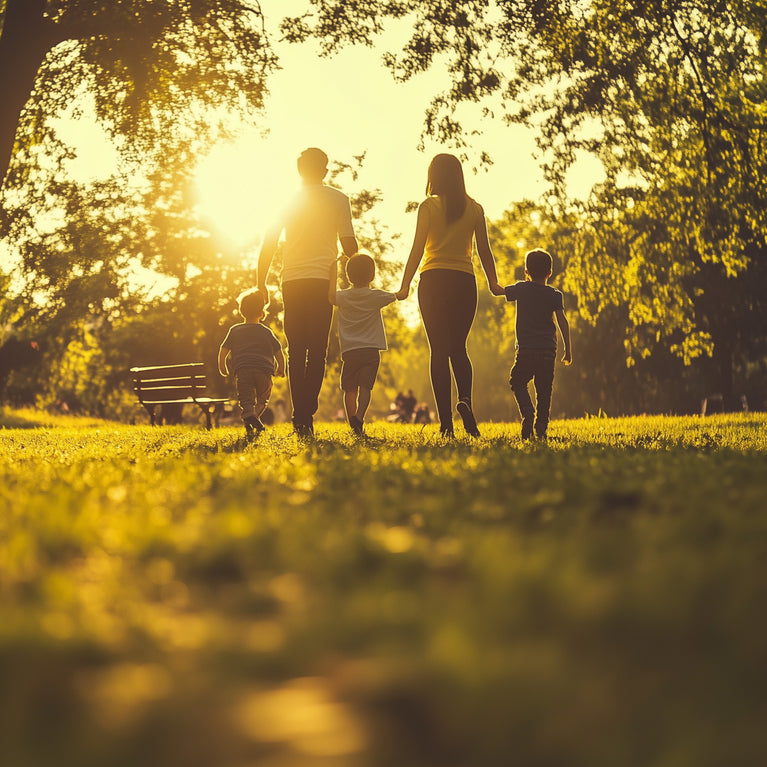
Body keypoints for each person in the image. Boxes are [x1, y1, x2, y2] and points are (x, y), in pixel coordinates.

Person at [396, 153, 502, 437]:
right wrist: (493, 282)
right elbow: (484, 250)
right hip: (464, 281)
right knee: (459, 349)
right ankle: (465, 401)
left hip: (433, 281)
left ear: (433, 176)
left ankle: (446, 425)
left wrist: (404, 284)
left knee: (438, 352)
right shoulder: (475, 208)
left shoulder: (428, 206)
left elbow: (418, 248)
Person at [257, 147, 358, 438]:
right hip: (322, 283)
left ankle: (301, 414)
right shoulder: (339, 199)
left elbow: (269, 242)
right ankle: (304, 412)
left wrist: (261, 282)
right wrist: (359, 271)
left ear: (299, 170)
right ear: (325, 171)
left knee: (296, 348)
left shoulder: (287, 201)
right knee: (317, 351)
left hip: (292, 282)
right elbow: (349, 244)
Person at [499, 248, 572, 441]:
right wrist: (568, 350)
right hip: (549, 350)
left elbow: (498, 291)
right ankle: (541, 428)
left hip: (526, 349)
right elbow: (563, 321)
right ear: (550, 273)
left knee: (517, 381)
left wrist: (491, 281)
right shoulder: (555, 295)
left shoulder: (521, 289)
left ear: (526, 271)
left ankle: (527, 412)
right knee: (544, 390)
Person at [329, 253, 401, 435]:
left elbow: (330, 296)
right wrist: (406, 284)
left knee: (349, 389)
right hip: (370, 351)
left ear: (348, 276)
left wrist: (332, 270)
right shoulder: (376, 296)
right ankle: (360, 417)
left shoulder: (342, 297)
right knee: (365, 387)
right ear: (372, 275)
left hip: (350, 351)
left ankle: (352, 420)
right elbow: (400, 295)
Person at [218, 288, 286, 438]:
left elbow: (223, 349)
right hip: (264, 371)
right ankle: (253, 418)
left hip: (243, 370)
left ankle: (250, 418)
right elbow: (278, 351)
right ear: (261, 313)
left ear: (242, 312)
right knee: (263, 398)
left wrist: (222, 366)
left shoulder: (235, 330)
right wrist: (282, 367)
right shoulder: (266, 331)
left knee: (246, 399)